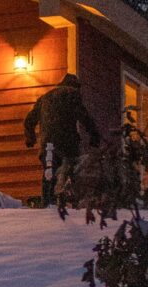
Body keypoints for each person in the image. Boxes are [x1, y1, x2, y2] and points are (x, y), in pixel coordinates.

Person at [24, 70, 100, 205]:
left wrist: (30, 138)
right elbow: (84, 116)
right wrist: (94, 136)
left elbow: (29, 120)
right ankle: (72, 204)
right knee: (72, 173)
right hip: (68, 143)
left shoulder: (44, 98)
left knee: (49, 172)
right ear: (75, 86)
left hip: (47, 144)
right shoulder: (72, 94)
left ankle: (47, 202)